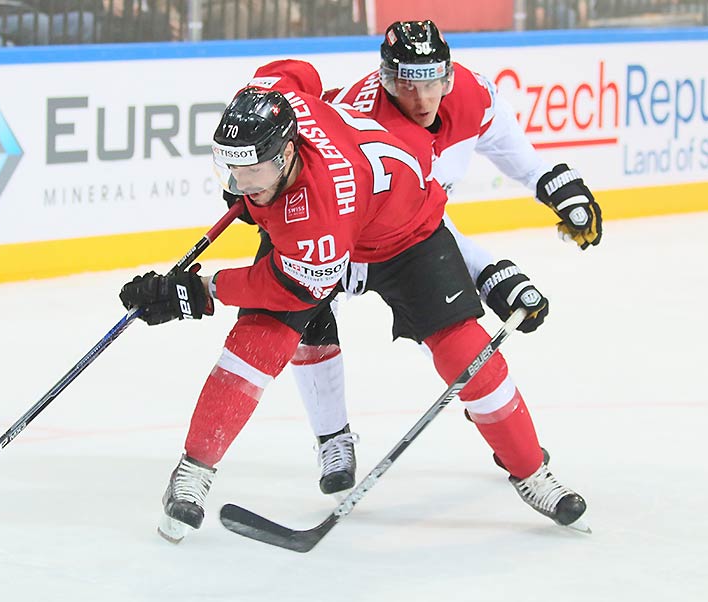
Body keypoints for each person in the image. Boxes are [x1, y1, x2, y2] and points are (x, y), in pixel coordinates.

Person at [119, 58, 588, 543]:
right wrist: (252, 183)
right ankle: (194, 471)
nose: (239, 184)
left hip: (408, 236)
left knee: (469, 357)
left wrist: (198, 292)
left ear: (284, 158)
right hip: (344, 218)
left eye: (251, 172)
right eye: (231, 170)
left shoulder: (321, 208)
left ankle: (533, 473)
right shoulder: (277, 108)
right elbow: (295, 71)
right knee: (255, 348)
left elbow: (287, 284)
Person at [235, 20, 601, 499]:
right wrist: (489, 273)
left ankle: (521, 458)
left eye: (432, 80)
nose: (423, 97)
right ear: (386, 79)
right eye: (408, 82)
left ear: (448, 74)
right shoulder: (372, 128)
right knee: (310, 322)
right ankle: (332, 438)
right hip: (338, 230)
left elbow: (499, 173)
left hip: (403, 236)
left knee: (463, 349)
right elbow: (408, 220)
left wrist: (559, 188)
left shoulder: (472, 95)